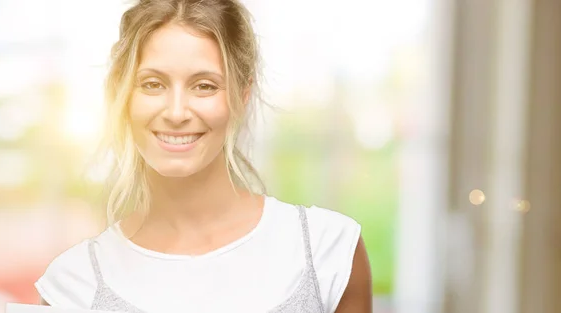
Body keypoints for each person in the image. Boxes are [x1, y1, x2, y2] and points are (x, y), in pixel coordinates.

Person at [35, 0, 372, 312]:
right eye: (153, 84)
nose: (177, 112)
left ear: (242, 95)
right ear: (122, 96)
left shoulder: (329, 252)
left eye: (205, 86)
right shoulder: (72, 286)